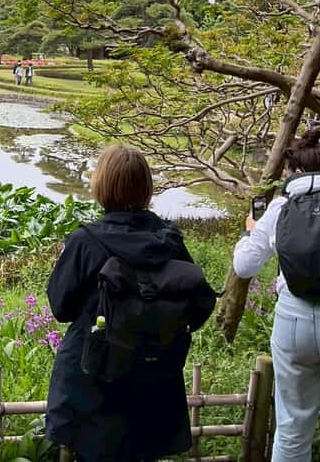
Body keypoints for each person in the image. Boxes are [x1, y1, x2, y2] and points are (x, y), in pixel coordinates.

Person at [46, 145, 215, 462]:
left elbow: (61, 307)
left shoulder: (86, 241)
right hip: (152, 377)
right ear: (146, 188)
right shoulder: (168, 240)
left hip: (94, 379)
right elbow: (201, 302)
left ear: (101, 185)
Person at [233, 129, 320, 462]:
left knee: (292, 427)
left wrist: (251, 231)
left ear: (292, 173)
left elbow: (243, 266)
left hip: (293, 321)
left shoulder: (279, 208)